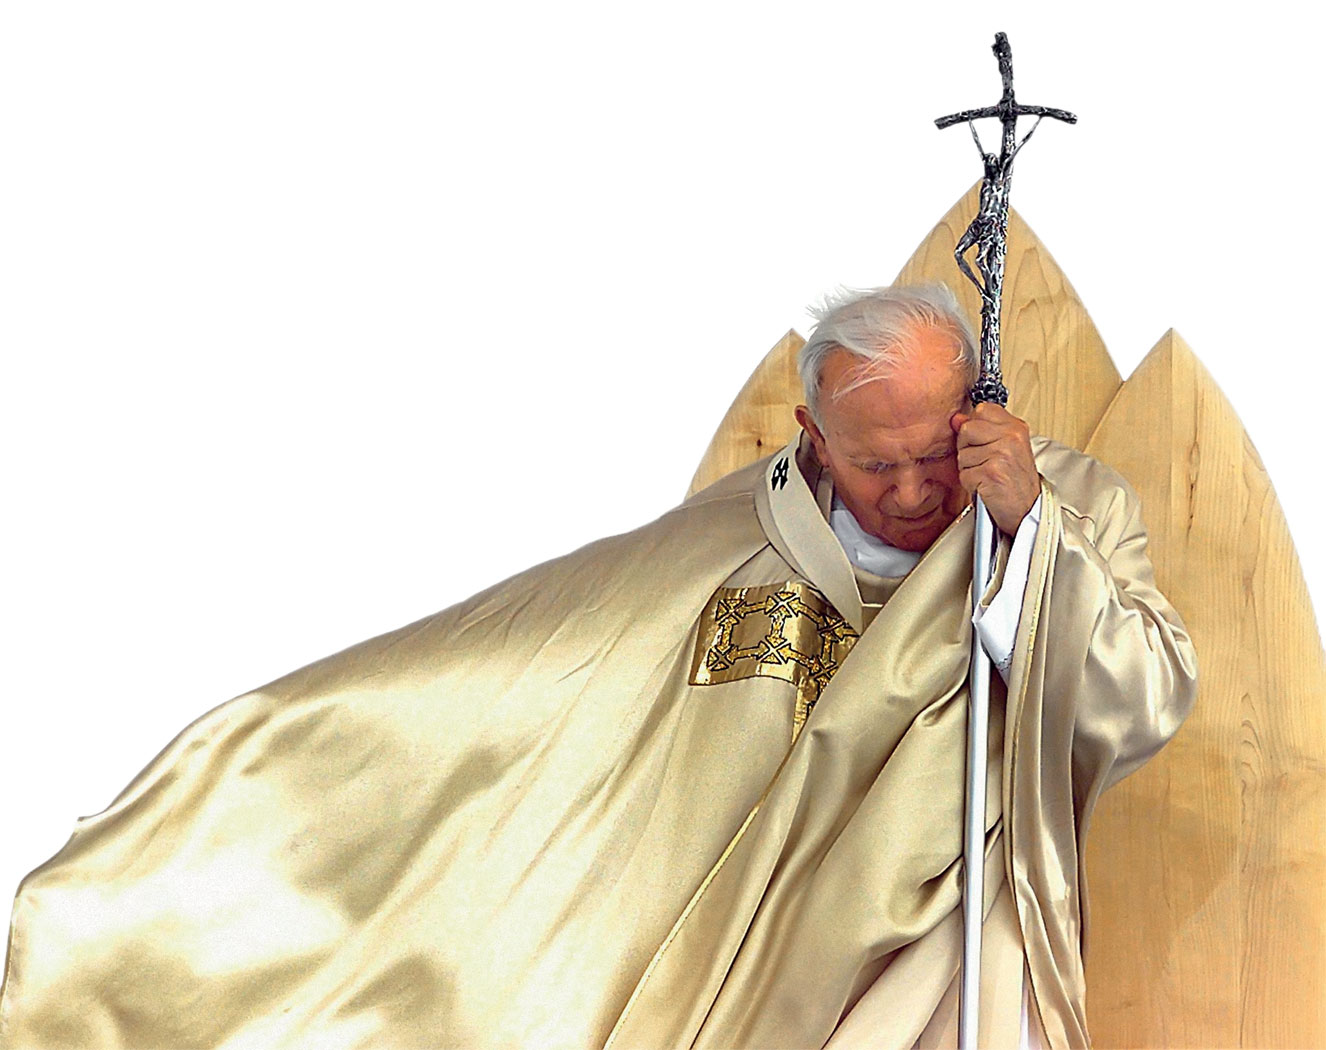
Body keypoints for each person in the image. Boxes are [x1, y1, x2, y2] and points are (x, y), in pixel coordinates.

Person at [0, 284, 1196, 1050]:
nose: (917, 490)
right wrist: (285, 751)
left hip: (960, 929)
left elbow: (1144, 698)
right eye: (878, 465)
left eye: (936, 452)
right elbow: (542, 673)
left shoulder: (1063, 505)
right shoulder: (733, 541)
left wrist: (1027, 532)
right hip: (739, 965)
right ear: (813, 439)